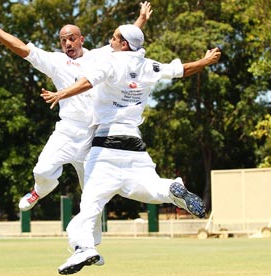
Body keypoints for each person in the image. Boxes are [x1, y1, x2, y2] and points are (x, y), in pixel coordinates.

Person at [0, 3, 152, 267]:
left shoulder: (100, 56)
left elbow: (125, 40)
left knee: (92, 196)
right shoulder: (55, 62)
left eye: (72, 38)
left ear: (81, 39)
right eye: (63, 39)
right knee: (43, 169)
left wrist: (141, 19)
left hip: (96, 137)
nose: (67, 43)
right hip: (68, 130)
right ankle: (39, 190)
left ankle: (88, 248)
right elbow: (22, 49)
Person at [41, 24, 221, 274]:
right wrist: (205, 60)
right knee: (150, 189)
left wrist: (62, 94)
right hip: (135, 145)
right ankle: (171, 187)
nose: (110, 41)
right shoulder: (149, 65)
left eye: (114, 38)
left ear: (124, 44)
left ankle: (84, 249)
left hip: (105, 146)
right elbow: (181, 70)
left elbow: (87, 82)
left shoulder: (111, 63)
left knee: (90, 206)